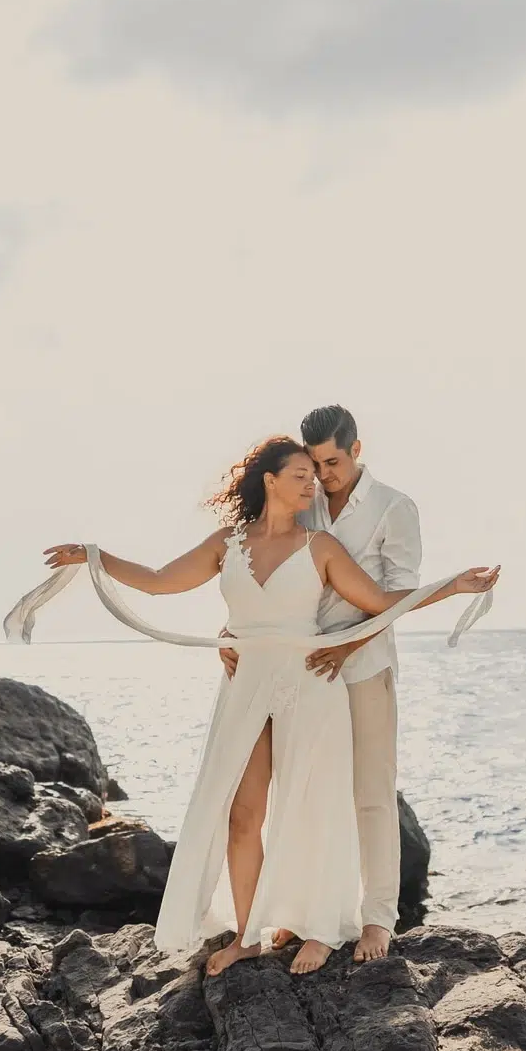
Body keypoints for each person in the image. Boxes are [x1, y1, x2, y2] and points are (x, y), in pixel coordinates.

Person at [40, 437, 497, 978]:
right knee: (241, 814)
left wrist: (451, 587)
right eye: (301, 474)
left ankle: (323, 927)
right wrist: (95, 556)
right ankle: (247, 934)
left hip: (309, 685)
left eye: (315, 473)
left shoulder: (321, 546)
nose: (312, 483)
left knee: (312, 808)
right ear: (270, 480)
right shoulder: (227, 544)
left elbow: (378, 603)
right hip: (245, 687)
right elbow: (162, 582)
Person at [223, 405, 420, 962]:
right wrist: (235, 629)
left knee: (371, 795)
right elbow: (273, 568)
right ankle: (302, 911)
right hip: (300, 672)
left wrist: (348, 647)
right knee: (302, 792)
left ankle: (378, 919)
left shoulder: (393, 509)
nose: (323, 474)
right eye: (314, 463)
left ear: (357, 450)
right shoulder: (305, 502)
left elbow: (399, 597)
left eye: (332, 462)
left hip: (362, 666)